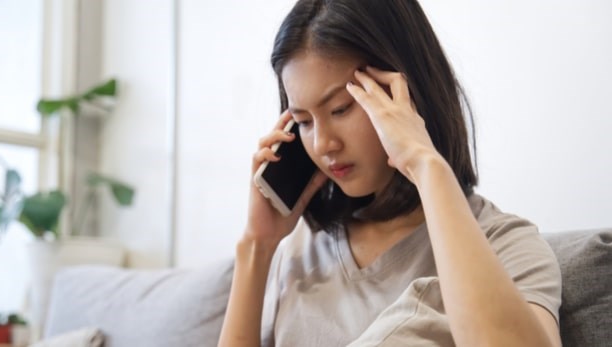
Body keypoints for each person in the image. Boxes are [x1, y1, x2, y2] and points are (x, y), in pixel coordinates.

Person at [218, 0, 562, 346]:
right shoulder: (297, 252)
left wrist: (426, 164)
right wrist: (257, 246)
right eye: (304, 121)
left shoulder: (506, 244)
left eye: (341, 109)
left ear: (405, 94)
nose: (323, 144)